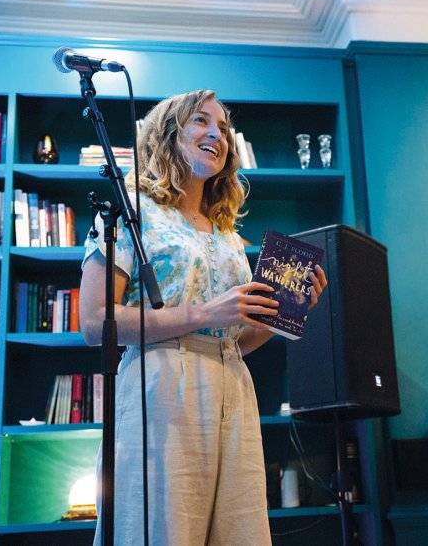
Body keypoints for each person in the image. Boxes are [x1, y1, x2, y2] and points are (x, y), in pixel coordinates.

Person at [78, 89, 327, 545]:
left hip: (232, 384)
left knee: (239, 533)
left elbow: (235, 338)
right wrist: (205, 312)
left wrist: (283, 313)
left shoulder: (228, 233)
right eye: (201, 121)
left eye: (225, 129)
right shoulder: (133, 211)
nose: (217, 134)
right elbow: (95, 323)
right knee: (159, 531)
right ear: (167, 133)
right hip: (162, 387)